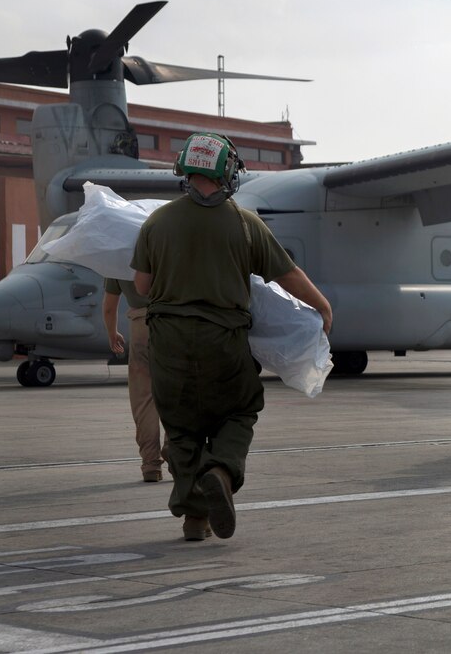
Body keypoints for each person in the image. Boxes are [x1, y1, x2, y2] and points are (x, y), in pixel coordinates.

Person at [132, 133, 332, 542]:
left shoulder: (158, 221)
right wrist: (323, 308)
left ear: (184, 170)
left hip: (168, 342)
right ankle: (221, 469)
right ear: (227, 173)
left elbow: (142, 286)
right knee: (239, 410)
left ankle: (194, 519)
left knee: (183, 429)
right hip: (223, 339)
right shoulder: (245, 224)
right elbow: (288, 275)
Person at [102, 278, 165, 482]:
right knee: (177, 395)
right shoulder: (166, 247)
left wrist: (112, 333)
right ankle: (178, 457)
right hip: (172, 325)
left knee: (144, 400)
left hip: (140, 328)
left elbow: (110, 307)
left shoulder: (117, 255)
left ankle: (151, 465)